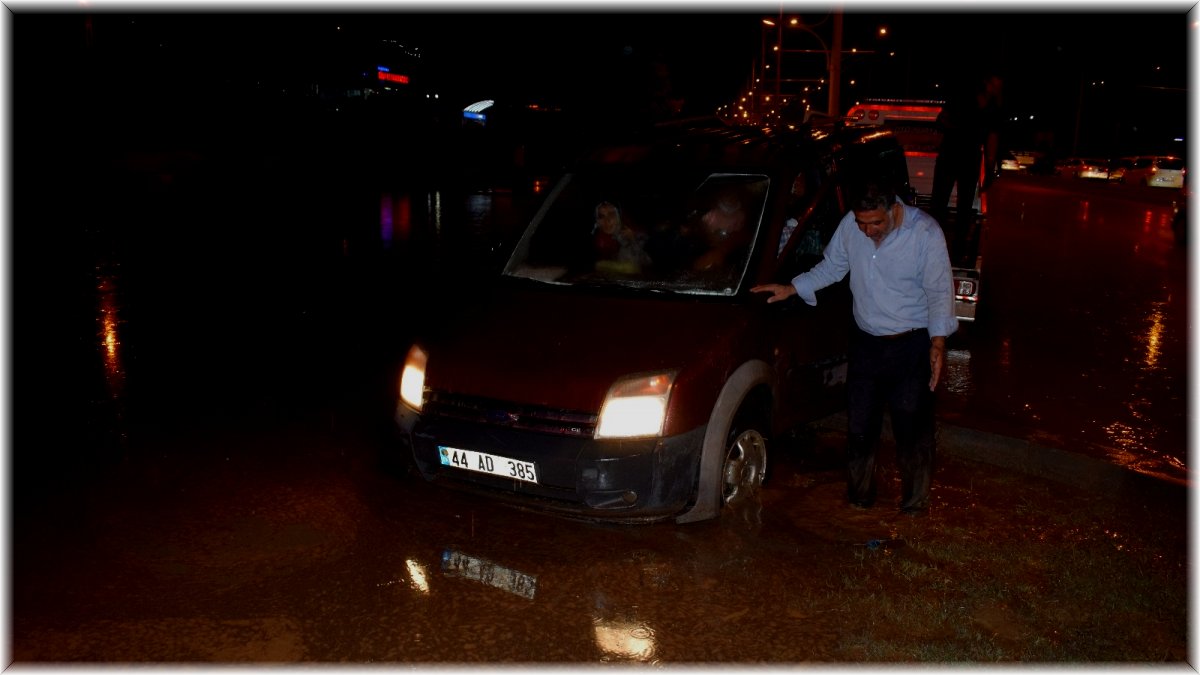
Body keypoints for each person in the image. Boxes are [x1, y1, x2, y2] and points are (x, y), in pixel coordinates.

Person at [751, 180, 958, 516]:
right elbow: (833, 267)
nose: (867, 230)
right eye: (862, 223)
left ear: (894, 209)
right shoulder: (851, 226)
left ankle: (915, 503)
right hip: (866, 343)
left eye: (875, 223)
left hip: (911, 344)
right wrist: (792, 287)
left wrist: (938, 342)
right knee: (860, 423)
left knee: (911, 425)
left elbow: (939, 291)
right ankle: (859, 499)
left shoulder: (925, 234)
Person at [930, 71, 1003, 266]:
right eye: (995, 84)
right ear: (987, 82)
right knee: (939, 203)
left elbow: (992, 138)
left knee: (965, 208)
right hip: (950, 155)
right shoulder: (963, 97)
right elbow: (941, 120)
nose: (997, 89)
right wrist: (958, 129)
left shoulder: (993, 109)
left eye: (999, 86)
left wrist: (989, 168)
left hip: (970, 159)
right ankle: (929, 246)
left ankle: (958, 253)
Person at [592, 200, 651, 273]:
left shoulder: (632, 236)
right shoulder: (596, 242)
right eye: (601, 216)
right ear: (597, 221)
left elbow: (634, 268)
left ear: (619, 217)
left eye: (611, 215)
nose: (607, 220)